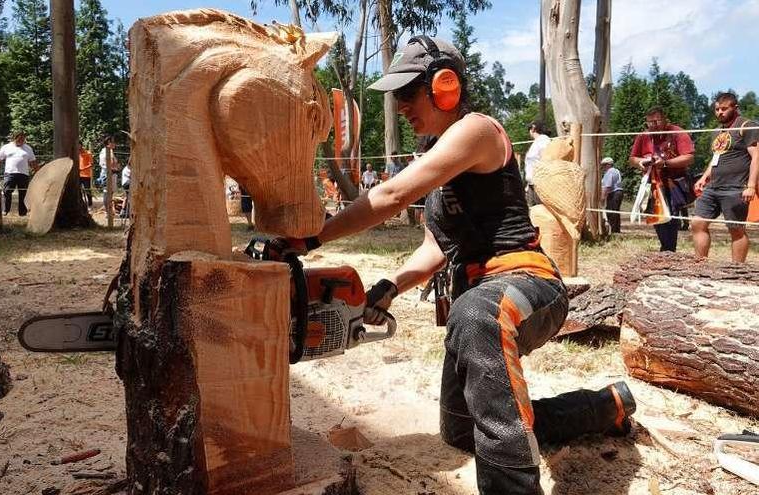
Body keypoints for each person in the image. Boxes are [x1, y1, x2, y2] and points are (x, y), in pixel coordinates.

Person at [265, 36, 635, 495]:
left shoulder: (477, 130)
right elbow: (434, 248)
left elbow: (391, 195)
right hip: (479, 300)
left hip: (527, 283)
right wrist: (391, 284)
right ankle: (604, 407)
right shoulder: (439, 162)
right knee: (462, 430)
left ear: (445, 85)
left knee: (475, 315)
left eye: (407, 93)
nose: (400, 105)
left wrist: (313, 237)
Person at [692, 93, 759, 263]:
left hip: (736, 188)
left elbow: (756, 156)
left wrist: (751, 185)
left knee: (736, 230)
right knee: (697, 223)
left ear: (735, 108)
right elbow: (716, 157)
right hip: (712, 187)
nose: (719, 112)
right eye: (717, 109)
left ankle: (736, 270)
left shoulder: (746, 126)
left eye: (724, 108)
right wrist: (704, 177)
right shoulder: (717, 131)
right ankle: (700, 266)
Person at [628, 106, 695, 251]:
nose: (653, 125)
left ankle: (669, 249)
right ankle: (665, 248)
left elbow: (689, 157)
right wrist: (641, 162)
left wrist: (665, 163)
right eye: (650, 122)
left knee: (670, 216)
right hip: (651, 183)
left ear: (665, 119)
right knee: (655, 215)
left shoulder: (677, 133)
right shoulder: (643, 136)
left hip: (673, 182)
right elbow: (632, 158)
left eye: (657, 121)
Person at [0, 131, 37, 216]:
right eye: (19, 139)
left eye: (23, 139)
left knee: (23, 194)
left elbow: (33, 162)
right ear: (14, 138)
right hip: (9, 174)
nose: (22, 141)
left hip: (23, 174)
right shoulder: (6, 147)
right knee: (7, 192)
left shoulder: (28, 148)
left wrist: (39, 172)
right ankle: (5, 210)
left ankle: (22, 213)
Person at [523, 120, 551, 206]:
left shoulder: (544, 141)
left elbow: (547, 159)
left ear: (533, 128)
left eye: (529, 128)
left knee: (541, 214)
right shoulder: (537, 142)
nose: (529, 131)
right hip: (532, 185)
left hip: (540, 185)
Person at [600, 157, 624, 233]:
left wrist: (603, 198)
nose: (603, 167)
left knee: (611, 212)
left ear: (608, 165)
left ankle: (613, 230)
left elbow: (607, 186)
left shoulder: (609, 172)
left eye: (604, 165)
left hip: (614, 193)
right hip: (619, 193)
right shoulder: (616, 171)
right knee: (615, 211)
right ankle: (616, 230)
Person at [97, 136, 119, 207]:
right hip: (108, 174)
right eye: (114, 142)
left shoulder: (108, 151)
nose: (115, 144)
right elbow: (110, 163)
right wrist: (115, 166)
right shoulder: (106, 151)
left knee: (109, 192)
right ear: (109, 142)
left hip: (110, 173)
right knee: (107, 192)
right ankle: (108, 211)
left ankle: (108, 210)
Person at [78, 143, 94, 207]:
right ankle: (81, 203)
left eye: (79, 146)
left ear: (81, 145)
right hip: (78, 175)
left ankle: (90, 204)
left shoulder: (88, 153)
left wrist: (82, 169)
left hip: (86, 175)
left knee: (87, 190)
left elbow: (91, 164)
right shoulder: (76, 154)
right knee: (78, 190)